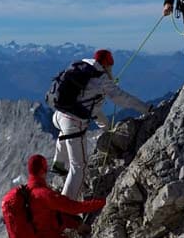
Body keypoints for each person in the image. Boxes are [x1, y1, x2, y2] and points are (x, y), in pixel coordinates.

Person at [52, 49, 150, 200]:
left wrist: (107, 129)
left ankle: (59, 162)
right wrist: (145, 108)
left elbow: (94, 110)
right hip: (73, 123)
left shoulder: (84, 65)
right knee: (79, 169)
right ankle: (65, 208)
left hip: (58, 115)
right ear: (107, 65)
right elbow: (122, 98)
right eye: (110, 67)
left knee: (65, 132)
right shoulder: (101, 79)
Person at [26, 154, 106, 238]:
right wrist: (101, 203)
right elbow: (73, 207)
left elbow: (56, 216)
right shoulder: (43, 194)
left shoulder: (26, 194)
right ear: (43, 170)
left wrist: (76, 225)